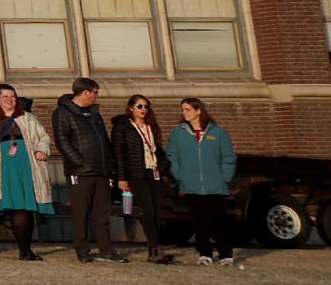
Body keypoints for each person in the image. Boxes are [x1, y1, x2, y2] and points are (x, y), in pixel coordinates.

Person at [0, 83, 55, 261]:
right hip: (5, 164)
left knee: (27, 207)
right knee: (17, 208)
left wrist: (41, 149)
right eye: (5, 97)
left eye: (12, 96)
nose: (9, 100)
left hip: (28, 162)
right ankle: (24, 250)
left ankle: (26, 249)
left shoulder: (28, 118)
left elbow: (44, 136)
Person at [167, 98, 238, 266]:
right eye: (183, 110)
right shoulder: (178, 132)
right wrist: (180, 176)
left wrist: (225, 178)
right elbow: (172, 156)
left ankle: (225, 254)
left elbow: (228, 157)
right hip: (191, 185)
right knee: (200, 221)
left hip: (215, 185)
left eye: (188, 110)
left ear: (199, 111)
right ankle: (205, 253)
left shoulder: (218, 133)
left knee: (219, 221)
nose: (185, 113)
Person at [52, 77, 115, 263]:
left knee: (102, 212)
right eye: (95, 92)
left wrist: (109, 164)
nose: (96, 96)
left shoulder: (95, 114)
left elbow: (104, 139)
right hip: (80, 172)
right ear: (85, 92)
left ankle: (107, 249)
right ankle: (83, 250)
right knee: (80, 212)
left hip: (101, 170)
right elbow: (62, 141)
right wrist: (78, 162)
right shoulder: (63, 113)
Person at [107, 94, 171, 264]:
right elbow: (118, 153)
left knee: (156, 211)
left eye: (146, 106)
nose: (143, 110)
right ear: (131, 108)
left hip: (153, 172)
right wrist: (121, 177)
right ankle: (155, 248)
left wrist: (163, 166)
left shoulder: (151, 126)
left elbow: (158, 149)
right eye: (139, 106)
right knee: (147, 209)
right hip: (135, 173)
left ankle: (154, 249)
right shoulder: (123, 127)